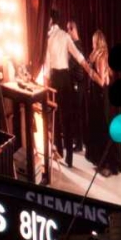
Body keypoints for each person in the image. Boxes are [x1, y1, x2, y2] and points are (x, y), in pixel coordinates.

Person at [44, 9, 96, 169]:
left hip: (54, 78)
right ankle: (69, 159)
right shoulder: (65, 36)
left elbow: (46, 66)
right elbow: (79, 57)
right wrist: (91, 72)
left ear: (51, 21)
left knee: (56, 115)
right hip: (65, 78)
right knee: (66, 118)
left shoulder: (48, 39)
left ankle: (59, 150)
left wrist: (45, 86)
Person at [83, 29, 121, 177]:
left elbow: (101, 81)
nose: (92, 43)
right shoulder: (99, 55)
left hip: (101, 97)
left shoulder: (101, 56)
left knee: (103, 129)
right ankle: (102, 162)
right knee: (100, 129)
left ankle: (107, 164)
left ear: (97, 41)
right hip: (99, 97)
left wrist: (89, 71)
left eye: (93, 40)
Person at [66, 21, 88, 153]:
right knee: (76, 114)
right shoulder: (76, 44)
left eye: (68, 30)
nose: (67, 32)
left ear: (73, 29)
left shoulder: (76, 46)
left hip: (77, 85)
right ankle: (78, 141)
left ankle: (78, 144)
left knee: (77, 114)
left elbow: (72, 66)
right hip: (77, 84)